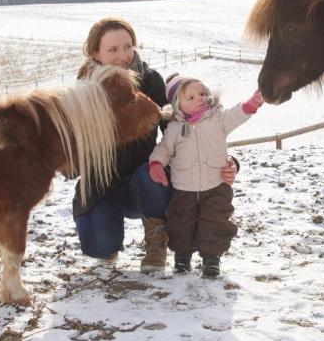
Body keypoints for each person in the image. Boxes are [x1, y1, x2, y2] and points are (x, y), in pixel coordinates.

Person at [73, 18, 238, 272]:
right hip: (102, 181)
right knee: (100, 248)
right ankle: (106, 235)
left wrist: (227, 163)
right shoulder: (84, 90)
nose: (123, 56)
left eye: (128, 46)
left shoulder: (150, 81)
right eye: (113, 50)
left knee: (153, 176)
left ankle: (157, 243)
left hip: (145, 180)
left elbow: (186, 129)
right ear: (96, 53)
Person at [148, 75, 263, 278]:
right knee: (181, 223)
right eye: (190, 97)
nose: (199, 98)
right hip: (184, 188)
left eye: (201, 93)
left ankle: (212, 259)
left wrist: (251, 104)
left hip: (216, 185)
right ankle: (182, 256)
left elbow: (236, 114)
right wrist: (156, 163)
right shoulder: (174, 128)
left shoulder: (217, 118)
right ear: (177, 106)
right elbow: (164, 149)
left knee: (215, 221)